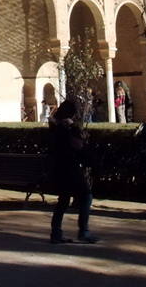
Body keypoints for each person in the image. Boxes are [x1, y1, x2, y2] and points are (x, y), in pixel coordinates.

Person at [47, 99, 98, 244]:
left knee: (63, 200)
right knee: (86, 196)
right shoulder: (65, 129)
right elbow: (77, 144)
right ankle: (84, 231)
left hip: (58, 169)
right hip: (70, 169)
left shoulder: (54, 127)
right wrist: (73, 126)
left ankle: (56, 233)